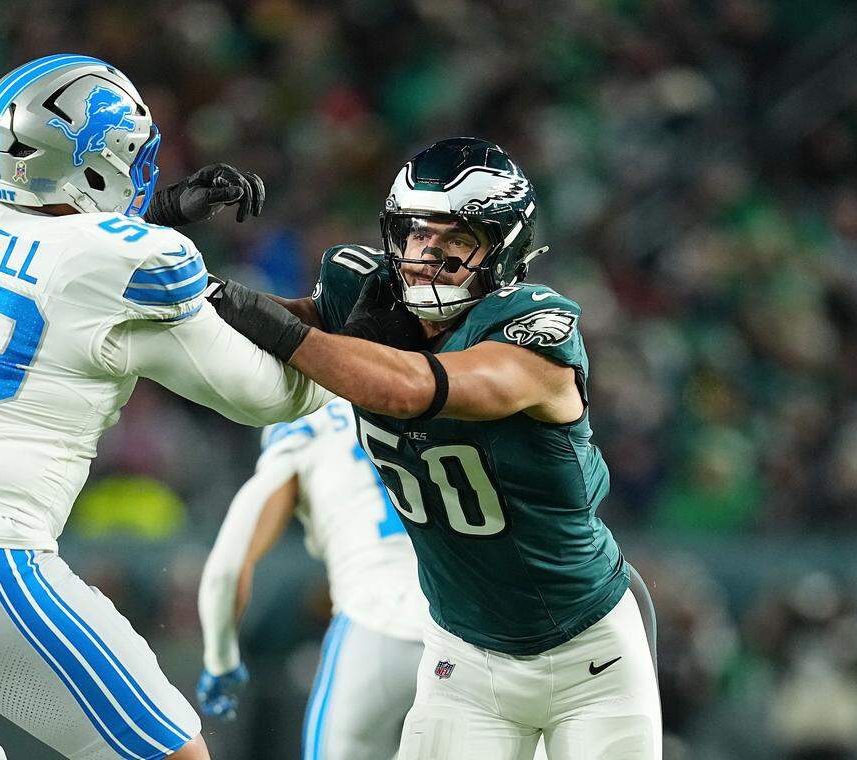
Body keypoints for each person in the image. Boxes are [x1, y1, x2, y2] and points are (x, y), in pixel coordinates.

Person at [0, 54, 332, 760]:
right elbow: (270, 398)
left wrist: (154, 212)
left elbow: (40, 235)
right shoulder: (130, 263)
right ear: (93, 164)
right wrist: (352, 343)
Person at [206, 138, 663, 759]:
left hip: (588, 655)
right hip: (463, 658)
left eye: (456, 239)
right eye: (417, 234)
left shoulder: (537, 333)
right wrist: (168, 264)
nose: (427, 255)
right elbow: (255, 335)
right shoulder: (367, 301)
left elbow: (405, 387)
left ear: (504, 245)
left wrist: (253, 312)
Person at [196, 397, 428, 760]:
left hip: (370, 626)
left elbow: (228, 565)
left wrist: (220, 658)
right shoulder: (409, 383)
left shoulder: (304, 425)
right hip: (462, 627)